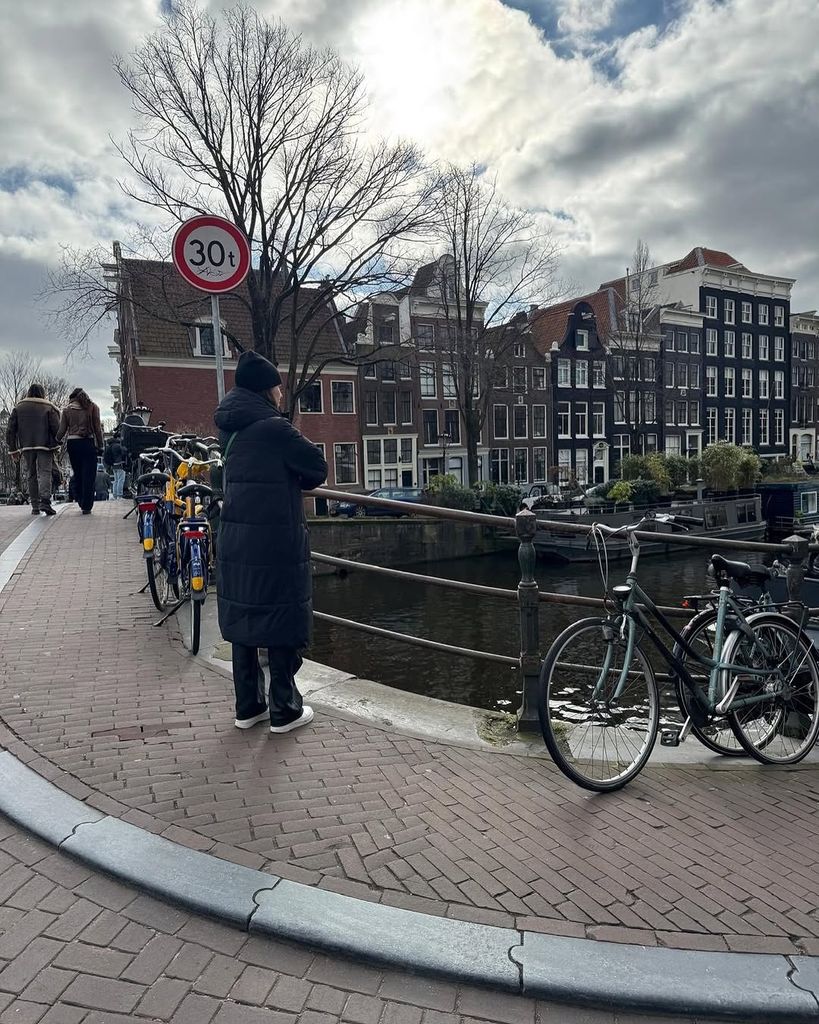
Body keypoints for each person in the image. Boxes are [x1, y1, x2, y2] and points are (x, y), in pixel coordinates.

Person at [214, 350, 327, 734]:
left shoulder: (228, 428)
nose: (282, 392)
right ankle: (285, 708)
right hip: (274, 539)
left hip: (235, 538)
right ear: (266, 389)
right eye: (278, 385)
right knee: (281, 615)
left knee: (244, 617)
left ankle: (248, 707)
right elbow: (316, 468)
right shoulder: (275, 428)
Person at [5, 383, 60, 516]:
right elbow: (57, 428)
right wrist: (57, 444)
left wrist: (13, 449)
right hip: (45, 446)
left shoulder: (18, 407)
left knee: (31, 474)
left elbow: (10, 430)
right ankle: (45, 501)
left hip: (26, 446)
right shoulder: (48, 407)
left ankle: (35, 505)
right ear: (42, 393)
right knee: (45, 472)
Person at [57, 388, 104, 514]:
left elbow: (62, 430)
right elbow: (97, 429)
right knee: (89, 475)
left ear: (72, 398)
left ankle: (80, 498)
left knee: (78, 473)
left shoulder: (67, 410)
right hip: (88, 443)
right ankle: (87, 506)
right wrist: (100, 445)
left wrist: (56, 440)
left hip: (73, 443)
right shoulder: (93, 407)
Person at [103, 430, 126, 499]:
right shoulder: (118, 445)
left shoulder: (110, 445)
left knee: (116, 480)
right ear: (118, 438)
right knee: (121, 480)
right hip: (119, 464)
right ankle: (119, 495)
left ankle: (115, 495)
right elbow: (124, 452)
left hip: (113, 465)